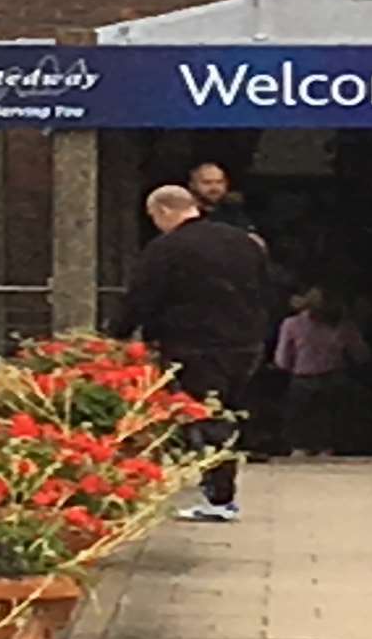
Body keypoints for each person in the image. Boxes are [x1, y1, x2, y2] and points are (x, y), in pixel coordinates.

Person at [107, 184, 269, 522]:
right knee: (229, 411)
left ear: (164, 211)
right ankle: (216, 487)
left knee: (207, 417)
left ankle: (219, 498)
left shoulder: (166, 249)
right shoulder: (243, 242)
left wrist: (116, 334)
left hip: (194, 344)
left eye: (155, 217)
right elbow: (268, 289)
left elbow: (142, 297)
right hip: (247, 342)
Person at [274, 288, 370, 456]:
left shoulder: (292, 324)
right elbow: (360, 354)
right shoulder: (343, 325)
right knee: (329, 423)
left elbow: (282, 359)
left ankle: (301, 448)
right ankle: (326, 448)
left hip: (303, 378)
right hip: (334, 377)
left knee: (300, 422)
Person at [187, 162, 257, 235]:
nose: (214, 188)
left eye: (219, 182)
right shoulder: (184, 212)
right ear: (192, 185)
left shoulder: (234, 211)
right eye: (207, 182)